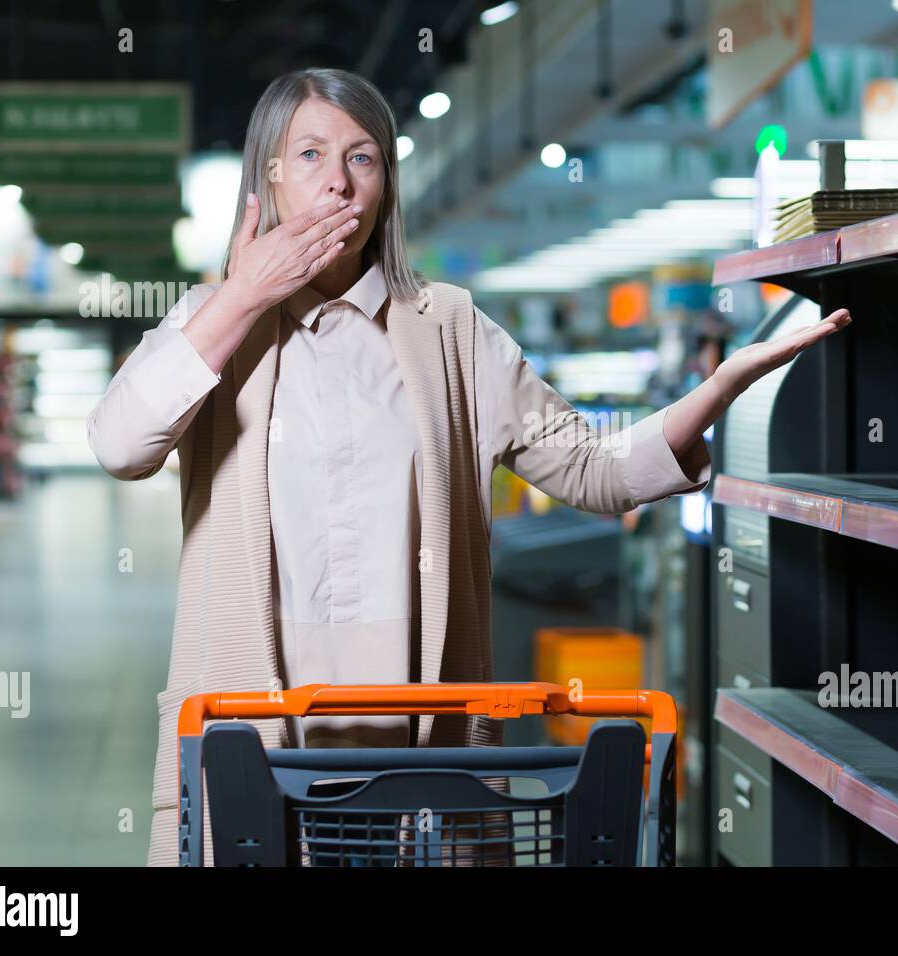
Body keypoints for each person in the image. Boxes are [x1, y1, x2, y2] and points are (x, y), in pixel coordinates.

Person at [86, 67, 851, 867]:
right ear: (265, 179)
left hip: (423, 745)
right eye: (308, 154)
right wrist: (241, 296)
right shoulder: (208, 327)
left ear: (386, 184)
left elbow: (595, 470)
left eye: (364, 158)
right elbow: (120, 445)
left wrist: (718, 387)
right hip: (252, 732)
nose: (338, 184)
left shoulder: (448, 328)